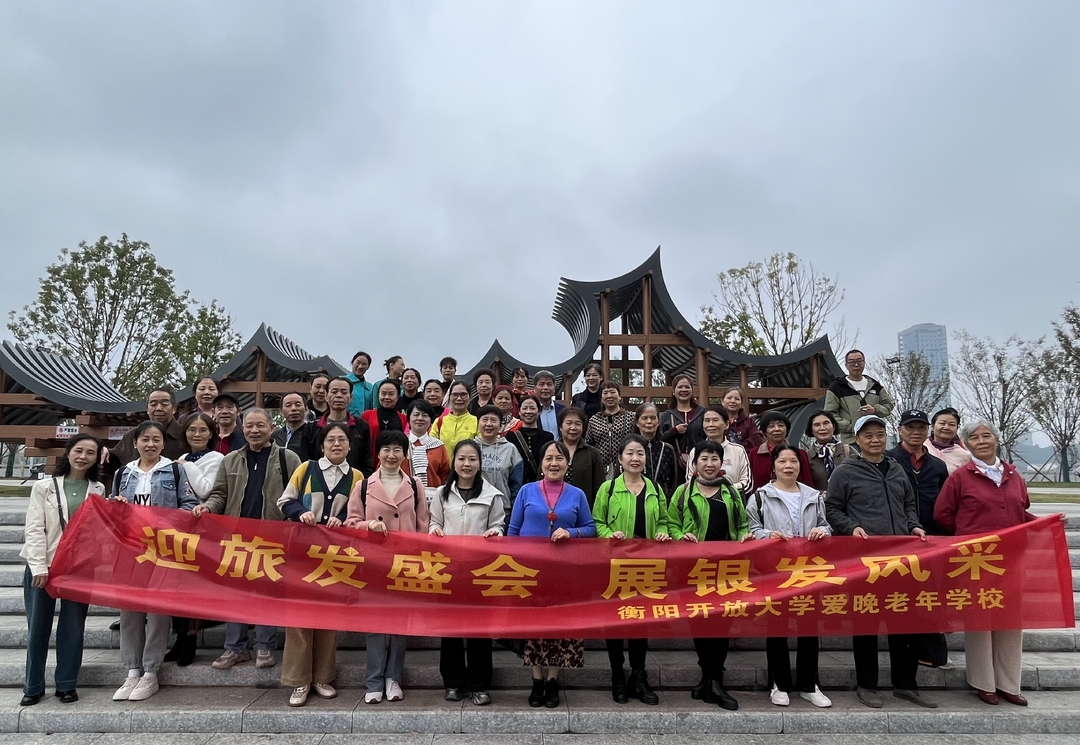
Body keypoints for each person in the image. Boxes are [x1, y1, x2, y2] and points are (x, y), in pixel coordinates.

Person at [825, 415, 932, 709]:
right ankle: (867, 685)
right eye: (868, 435)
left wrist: (913, 525)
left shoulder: (898, 469)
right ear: (857, 440)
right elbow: (832, 509)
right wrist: (850, 528)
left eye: (880, 434)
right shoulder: (846, 472)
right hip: (866, 561)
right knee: (866, 624)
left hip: (901, 559)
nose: (875, 440)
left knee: (903, 623)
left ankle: (905, 684)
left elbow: (909, 504)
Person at [934, 420, 1036, 707]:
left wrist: (1047, 524)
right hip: (976, 560)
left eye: (986, 436)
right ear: (966, 444)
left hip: (1011, 559)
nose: (982, 441)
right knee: (980, 619)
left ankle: (1008, 683)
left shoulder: (1014, 475)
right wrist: (971, 534)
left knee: (1010, 620)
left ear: (996, 440)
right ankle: (984, 682)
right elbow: (943, 514)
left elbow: (1021, 511)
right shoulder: (961, 477)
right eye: (975, 438)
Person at [195, 408, 301, 671]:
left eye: (260, 425)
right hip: (236, 537)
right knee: (236, 594)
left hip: (272, 537)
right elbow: (220, 493)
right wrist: (208, 507)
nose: (254, 430)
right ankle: (235, 648)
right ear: (243, 429)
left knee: (267, 592)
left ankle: (264, 646)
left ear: (271, 427)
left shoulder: (288, 458)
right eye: (250, 426)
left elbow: (297, 496)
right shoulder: (230, 460)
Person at [276, 423, 363, 707]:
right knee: (299, 617)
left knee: (328, 617)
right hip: (302, 553)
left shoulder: (357, 477)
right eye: (331, 440)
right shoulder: (306, 469)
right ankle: (299, 680)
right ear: (322, 445)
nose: (336, 444)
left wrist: (345, 521)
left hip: (335, 558)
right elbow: (284, 501)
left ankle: (323, 677)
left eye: (342, 440)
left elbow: (358, 514)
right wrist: (300, 513)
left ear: (350, 446)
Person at [111, 421, 198, 702]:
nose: (150, 444)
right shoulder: (123, 473)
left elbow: (188, 504)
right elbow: (111, 509)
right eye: (145, 439)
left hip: (162, 551)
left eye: (156, 439)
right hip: (129, 550)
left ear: (163, 443)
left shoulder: (174, 470)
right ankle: (132, 671)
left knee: (158, 613)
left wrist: (166, 524)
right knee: (129, 612)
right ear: (135, 442)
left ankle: (150, 672)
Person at [508, 440, 597, 709]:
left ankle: (553, 680)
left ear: (567, 464)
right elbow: (513, 530)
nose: (554, 463)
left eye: (559, 458)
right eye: (548, 458)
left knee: (560, 627)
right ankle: (536, 680)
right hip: (530, 572)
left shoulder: (577, 494)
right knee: (533, 626)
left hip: (564, 572)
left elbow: (591, 527)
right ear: (541, 463)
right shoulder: (526, 491)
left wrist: (572, 532)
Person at [345, 431, 428, 704]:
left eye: (397, 450)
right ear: (378, 453)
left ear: (405, 454)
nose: (391, 455)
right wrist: (369, 525)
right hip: (374, 563)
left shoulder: (415, 486)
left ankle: (393, 678)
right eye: (386, 450)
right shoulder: (362, 485)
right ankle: (374, 681)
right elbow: (351, 523)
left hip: (405, 564)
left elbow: (422, 527)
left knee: (400, 625)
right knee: (376, 625)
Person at [746, 445, 832, 709]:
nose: (788, 466)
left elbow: (827, 525)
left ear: (799, 465)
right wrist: (766, 536)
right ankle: (779, 684)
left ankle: (809, 684)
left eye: (793, 461)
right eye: (782, 461)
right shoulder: (761, 496)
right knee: (777, 628)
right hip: (776, 570)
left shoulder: (814, 495)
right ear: (774, 466)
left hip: (808, 570)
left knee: (809, 627)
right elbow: (752, 529)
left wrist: (822, 530)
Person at [20, 435, 104, 707]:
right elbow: (34, 528)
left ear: (96, 458)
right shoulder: (44, 487)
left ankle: (66, 685)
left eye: (90, 452)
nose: (83, 456)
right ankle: (33, 686)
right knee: (38, 629)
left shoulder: (98, 489)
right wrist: (38, 566)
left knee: (73, 628)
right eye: (78, 450)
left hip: (78, 568)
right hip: (43, 565)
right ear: (68, 453)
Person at [666, 441, 746, 711]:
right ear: (695, 463)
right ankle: (706, 677)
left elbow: (743, 523)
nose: (710, 464)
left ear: (721, 464)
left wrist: (744, 536)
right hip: (694, 568)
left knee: (721, 625)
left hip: (726, 569)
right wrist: (680, 536)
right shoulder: (683, 491)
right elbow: (671, 523)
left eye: (715, 459)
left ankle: (716, 680)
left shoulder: (731, 493)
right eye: (704, 459)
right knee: (699, 623)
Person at [591, 435, 668, 705]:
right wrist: (610, 533)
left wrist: (661, 533)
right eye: (630, 454)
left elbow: (664, 521)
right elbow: (596, 521)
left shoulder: (654, 489)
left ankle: (639, 675)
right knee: (614, 622)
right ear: (620, 458)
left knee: (639, 622)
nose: (635, 458)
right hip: (614, 566)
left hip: (645, 566)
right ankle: (617, 676)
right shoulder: (608, 489)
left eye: (640, 454)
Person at [429, 440, 505, 706]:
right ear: (454, 461)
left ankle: (479, 684)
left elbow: (498, 525)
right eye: (462, 458)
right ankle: (452, 682)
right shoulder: (442, 494)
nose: (467, 464)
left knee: (479, 631)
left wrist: (496, 533)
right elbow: (434, 522)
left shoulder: (492, 495)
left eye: (472, 459)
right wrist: (434, 531)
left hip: (480, 572)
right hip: (449, 571)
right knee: (450, 629)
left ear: (479, 463)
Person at [885, 409, 952, 669]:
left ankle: (931, 654)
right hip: (898, 540)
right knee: (900, 598)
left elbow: (946, 502)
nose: (916, 432)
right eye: (910, 427)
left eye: (921, 428)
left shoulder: (938, 465)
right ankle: (904, 655)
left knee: (929, 597)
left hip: (931, 541)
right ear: (900, 429)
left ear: (928, 432)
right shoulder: (889, 459)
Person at [168, 412, 225, 667]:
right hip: (180, 527)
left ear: (211, 433)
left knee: (193, 586)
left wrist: (184, 466)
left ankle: (190, 639)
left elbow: (205, 490)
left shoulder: (216, 458)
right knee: (177, 585)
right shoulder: (181, 458)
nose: (197, 434)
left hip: (203, 528)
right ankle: (179, 638)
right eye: (192, 430)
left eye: (203, 430)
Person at [300, 377, 375, 477]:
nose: (339, 395)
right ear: (326, 396)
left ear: (351, 397)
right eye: (334, 391)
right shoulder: (311, 428)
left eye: (344, 392)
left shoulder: (361, 426)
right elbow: (306, 462)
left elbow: (367, 463)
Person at [824, 350, 896, 444]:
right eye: (852, 362)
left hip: (874, 440)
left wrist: (875, 410)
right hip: (850, 441)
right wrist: (851, 426)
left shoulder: (874, 385)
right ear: (846, 365)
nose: (856, 365)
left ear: (864, 362)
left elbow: (889, 405)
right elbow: (829, 414)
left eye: (859, 361)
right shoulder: (837, 387)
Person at [107, 388, 184, 474]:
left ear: (174, 408)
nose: (158, 408)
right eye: (153, 404)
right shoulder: (132, 435)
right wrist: (103, 451)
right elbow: (114, 460)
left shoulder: (185, 434)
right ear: (147, 409)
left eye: (164, 404)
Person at [685, 406, 752, 494]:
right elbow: (690, 481)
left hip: (731, 502)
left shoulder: (738, 450)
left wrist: (721, 490)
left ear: (727, 424)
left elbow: (746, 484)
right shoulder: (695, 451)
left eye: (715, 420)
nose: (710, 424)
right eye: (707, 420)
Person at [475, 405, 524, 516]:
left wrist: (514, 510)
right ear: (478, 423)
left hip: (503, 509)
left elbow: (516, 484)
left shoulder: (510, 449)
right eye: (484, 419)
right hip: (475, 507)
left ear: (501, 425)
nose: (488, 424)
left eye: (493, 420)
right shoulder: (471, 448)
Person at [748, 411, 814, 492]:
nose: (776, 429)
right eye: (771, 426)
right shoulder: (754, 454)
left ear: (787, 429)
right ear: (765, 431)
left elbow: (807, 483)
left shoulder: (800, 454)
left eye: (781, 425)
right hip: (763, 501)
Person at [584, 381, 636, 478]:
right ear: (601, 398)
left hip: (626, 465)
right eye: (605, 393)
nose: (609, 396)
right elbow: (588, 444)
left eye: (612, 392)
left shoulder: (631, 417)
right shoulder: (594, 420)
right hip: (601, 468)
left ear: (619, 396)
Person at [559, 407, 605, 508]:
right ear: (560, 426)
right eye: (569, 423)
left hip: (584, 508)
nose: (573, 427)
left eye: (578, 424)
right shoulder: (551, 450)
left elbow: (599, 486)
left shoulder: (592, 453)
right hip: (555, 508)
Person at [406, 400, 450, 502]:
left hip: (433, 499)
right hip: (404, 498)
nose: (420, 418)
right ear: (408, 418)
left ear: (431, 420)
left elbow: (445, 474)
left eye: (425, 415)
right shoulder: (400, 445)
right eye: (416, 415)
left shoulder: (438, 446)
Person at [660, 374, 705, 471]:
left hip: (700, 461)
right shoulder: (666, 415)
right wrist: (674, 431)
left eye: (687, 387)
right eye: (680, 387)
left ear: (692, 391)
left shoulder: (703, 413)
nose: (683, 390)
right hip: (673, 464)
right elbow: (660, 439)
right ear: (673, 392)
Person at [634, 402, 679, 499]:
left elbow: (674, 480)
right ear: (637, 422)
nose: (649, 422)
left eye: (653, 418)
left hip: (663, 501)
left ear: (658, 422)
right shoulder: (629, 449)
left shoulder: (668, 449)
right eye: (644, 418)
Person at [506, 395, 554, 484]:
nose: (528, 411)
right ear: (519, 412)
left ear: (539, 411)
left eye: (532, 408)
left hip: (540, 486)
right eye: (524, 408)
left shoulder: (547, 437)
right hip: (517, 486)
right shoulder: (511, 436)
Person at [361, 380, 408, 468]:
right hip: (370, 463)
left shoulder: (404, 419)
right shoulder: (367, 415)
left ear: (398, 396)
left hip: (395, 463)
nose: (386, 397)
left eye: (391, 394)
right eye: (383, 393)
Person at [804, 410, 853, 492]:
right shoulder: (807, 457)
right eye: (817, 425)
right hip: (820, 503)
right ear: (811, 430)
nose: (822, 428)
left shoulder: (848, 451)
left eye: (826, 423)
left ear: (833, 427)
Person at [430, 381, 479, 455]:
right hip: (443, 466)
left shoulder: (476, 422)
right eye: (455, 395)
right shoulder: (439, 422)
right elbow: (431, 449)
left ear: (470, 397)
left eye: (463, 394)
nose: (459, 398)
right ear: (449, 397)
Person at [925, 407, 972, 474]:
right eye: (942, 423)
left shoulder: (964, 455)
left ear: (957, 428)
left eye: (951, 424)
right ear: (932, 426)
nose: (946, 427)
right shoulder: (920, 448)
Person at [272, 391, 309, 457]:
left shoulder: (313, 434)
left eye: (298, 405)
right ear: (281, 411)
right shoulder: (274, 436)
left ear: (306, 409)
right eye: (288, 405)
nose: (293, 408)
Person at [533, 370, 565, 438]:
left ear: (554, 387)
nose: (545, 388)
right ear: (535, 388)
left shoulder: (564, 410)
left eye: (549, 384)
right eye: (541, 384)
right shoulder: (531, 411)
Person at [346, 351, 375, 416]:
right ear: (352, 362)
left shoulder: (370, 387)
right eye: (358, 362)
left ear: (368, 367)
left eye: (364, 364)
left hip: (364, 424)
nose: (360, 366)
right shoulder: (341, 381)